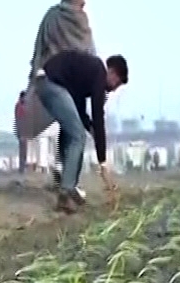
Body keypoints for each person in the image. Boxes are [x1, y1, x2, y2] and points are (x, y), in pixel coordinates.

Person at [37, 50, 128, 213]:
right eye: (117, 83)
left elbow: (79, 108)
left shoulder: (88, 73)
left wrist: (91, 128)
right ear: (112, 73)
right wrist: (102, 160)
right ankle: (66, 191)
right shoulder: (99, 72)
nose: (114, 90)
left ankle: (68, 184)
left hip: (47, 83)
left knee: (70, 131)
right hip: (52, 83)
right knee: (78, 136)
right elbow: (98, 114)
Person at [28, 0, 96, 194]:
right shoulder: (80, 19)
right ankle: (69, 184)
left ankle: (62, 171)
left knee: (66, 126)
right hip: (70, 79)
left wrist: (34, 73)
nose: (84, 2)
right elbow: (88, 49)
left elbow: (39, 45)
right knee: (75, 131)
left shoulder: (51, 15)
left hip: (48, 78)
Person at [14, 91, 27, 173]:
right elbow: (20, 119)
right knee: (23, 150)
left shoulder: (20, 105)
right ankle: (22, 168)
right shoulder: (20, 106)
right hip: (22, 131)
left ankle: (22, 167)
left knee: (23, 150)